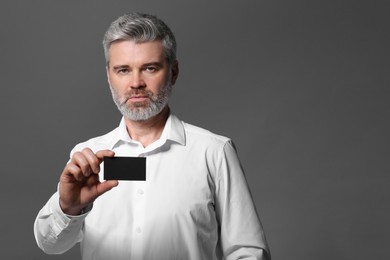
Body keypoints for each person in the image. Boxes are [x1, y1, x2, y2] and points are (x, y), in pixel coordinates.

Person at [34, 12, 271, 260]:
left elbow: (248, 252)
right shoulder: (87, 156)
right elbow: (50, 243)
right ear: (108, 76)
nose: (136, 83)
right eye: (123, 70)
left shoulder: (213, 151)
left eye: (150, 68)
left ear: (174, 72)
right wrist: (69, 208)